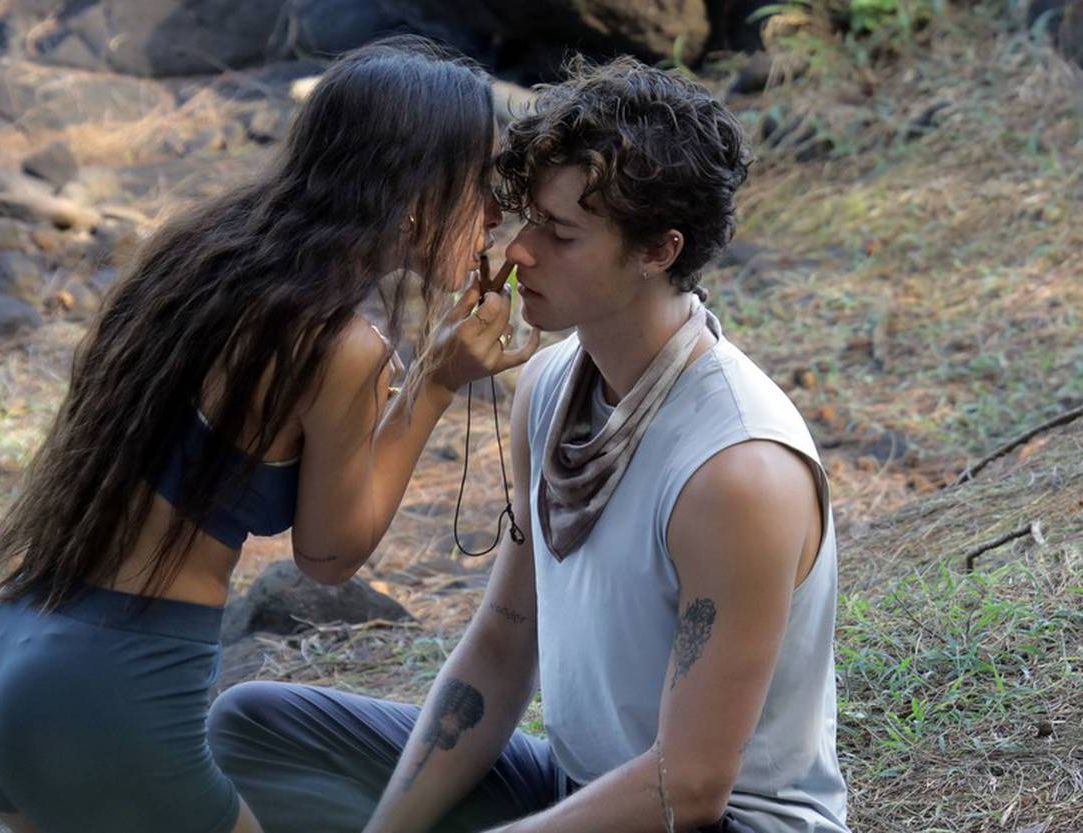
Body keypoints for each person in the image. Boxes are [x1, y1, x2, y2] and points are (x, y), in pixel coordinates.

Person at [206, 56, 850, 833]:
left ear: (658, 251)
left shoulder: (736, 471)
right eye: (527, 219)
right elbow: (505, 644)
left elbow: (690, 785)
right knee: (254, 725)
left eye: (561, 233)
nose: (517, 252)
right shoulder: (549, 389)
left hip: (717, 820)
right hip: (578, 784)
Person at [0, 36, 539, 833]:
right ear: (421, 191)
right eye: (482, 185)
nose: (496, 217)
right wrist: (435, 382)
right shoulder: (337, 342)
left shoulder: (207, 260)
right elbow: (329, 558)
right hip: (113, 690)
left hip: (0, 652)